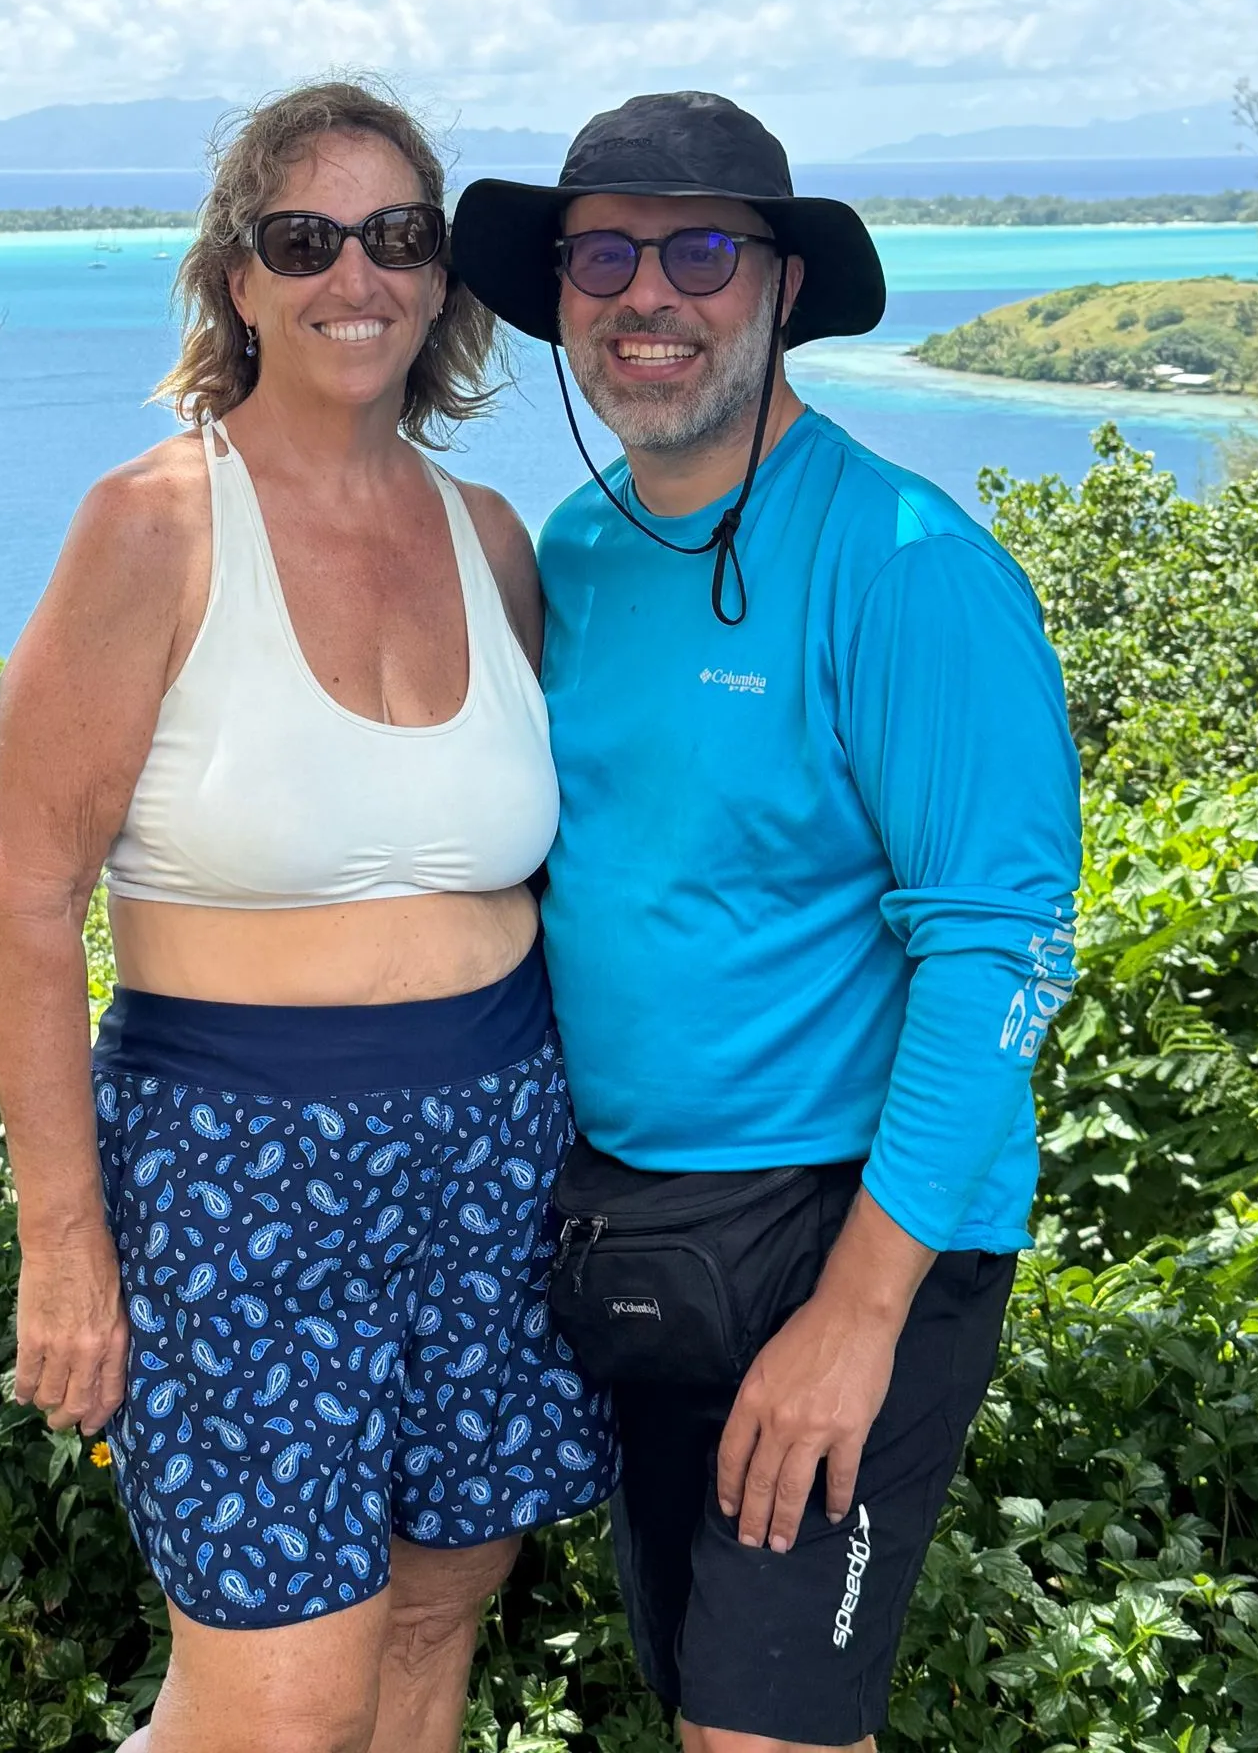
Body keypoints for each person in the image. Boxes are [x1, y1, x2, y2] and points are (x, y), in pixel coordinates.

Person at [0, 80, 615, 1753]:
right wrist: (65, 1242)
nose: (359, 273)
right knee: (279, 1709)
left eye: (400, 235)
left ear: (445, 278)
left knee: (428, 1635)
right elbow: (27, 892)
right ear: (238, 280)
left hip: (494, 1159)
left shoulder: (491, 539)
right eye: (305, 236)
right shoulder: (154, 526)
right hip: (236, 1170)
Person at [450, 90, 1082, 1753]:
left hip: (849, 1228)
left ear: (784, 286)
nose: (646, 295)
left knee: (767, 1736)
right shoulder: (580, 551)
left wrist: (859, 1320)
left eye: (701, 250)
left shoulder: (909, 566)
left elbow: (1000, 954)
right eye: (603, 255)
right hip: (637, 1234)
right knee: (702, 1703)